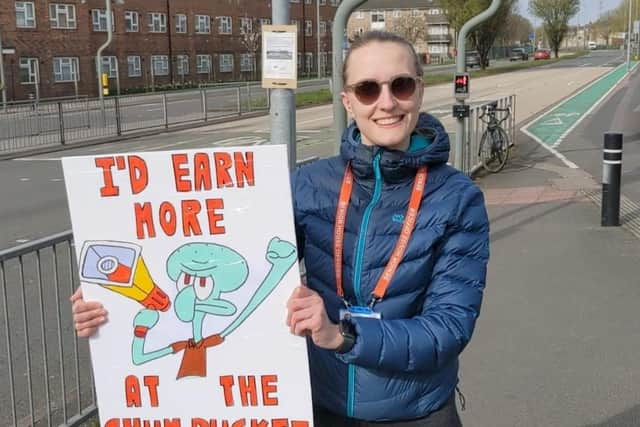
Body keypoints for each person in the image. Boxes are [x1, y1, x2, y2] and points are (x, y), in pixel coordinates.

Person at [72, 30, 489, 427]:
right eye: (367, 89)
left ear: (418, 88)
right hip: (317, 403)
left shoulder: (456, 197)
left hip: (415, 411)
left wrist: (342, 335)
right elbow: (230, 270)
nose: (386, 103)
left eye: (400, 85)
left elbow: (447, 328)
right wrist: (114, 307)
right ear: (347, 101)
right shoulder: (311, 184)